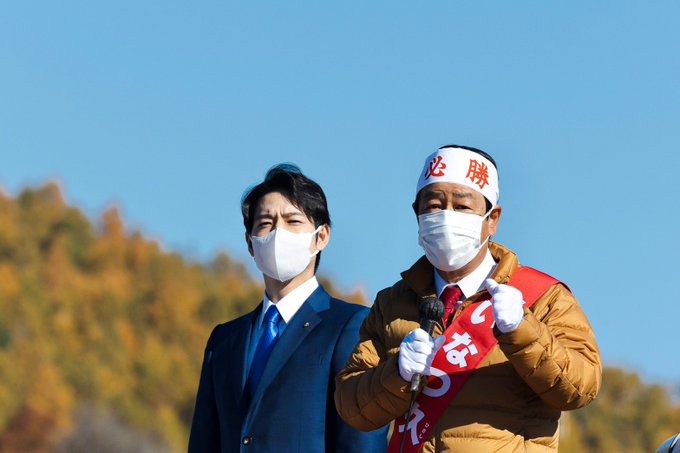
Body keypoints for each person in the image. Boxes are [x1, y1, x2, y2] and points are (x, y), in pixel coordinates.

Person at [335, 145, 602, 452]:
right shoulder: (392, 303)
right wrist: (397, 372)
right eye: (433, 205)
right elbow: (352, 408)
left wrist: (523, 332)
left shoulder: (542, 296)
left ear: (492, 219)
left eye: (462, 206)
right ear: (416, 214)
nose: (445, 216)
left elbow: (580, 388)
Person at [188, 164, 387, 452]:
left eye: (293, 221)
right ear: (250, 243)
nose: (278, 232)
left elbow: (361, 439)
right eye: (265, 223)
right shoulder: (224, 340)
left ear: (321, 236)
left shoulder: (350, 325)